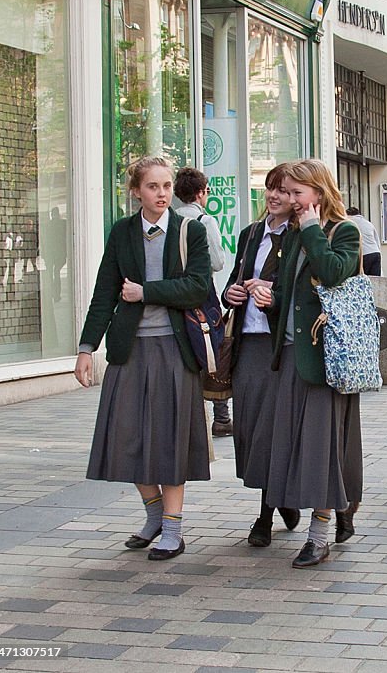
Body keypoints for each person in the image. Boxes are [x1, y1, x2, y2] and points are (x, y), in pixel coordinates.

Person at [75, 156, 212, 561]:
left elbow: (197, 286)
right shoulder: (122, 232)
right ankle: (153, 515)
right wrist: (87, 349)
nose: (162, 194)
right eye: (153, 187)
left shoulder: (191, 231)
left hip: (173, 348)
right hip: (128, 349)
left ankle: (173, 529)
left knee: (169, 439)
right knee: (127, 437)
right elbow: (104, 291)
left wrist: (146, 292)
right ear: (136, 191)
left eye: (167, 186)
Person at [252, 159, 364, 569]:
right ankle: (301, 517)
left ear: (318, 192)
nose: (291, 200)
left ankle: (319, 536)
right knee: (293, 447)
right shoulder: (296, 235)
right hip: (292, 361)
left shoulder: (342, 231)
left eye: (298, 193)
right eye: (288, 192)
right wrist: (269, 300)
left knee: (324, 451)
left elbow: (333, 273)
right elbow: (291, 296)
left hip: (328, 363)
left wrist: (314, 229)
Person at [222, 163, 301, 547]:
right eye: (271, 188)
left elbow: (300, 295)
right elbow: (234, 279)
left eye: (284, 191)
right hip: (246, 345)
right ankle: (281, 497)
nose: (275, 196)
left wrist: (272, 298)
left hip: (278, 347)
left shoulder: (299, 237)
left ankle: (265, 515)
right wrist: (231, 294)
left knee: (271, 431)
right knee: (249, 430)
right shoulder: (251, 234)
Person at [174, 167, 230, 436]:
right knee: (212, 346)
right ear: (200, 193)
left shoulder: (170, 220)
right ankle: (221, 416)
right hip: (202, 290)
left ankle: (188, 412)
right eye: (206, 191)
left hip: (175, 293)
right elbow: (217, 262)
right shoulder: (204, 221)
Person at [346, 207, 382, 276]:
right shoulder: (368, 223)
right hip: (375, 253)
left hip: (363, 255)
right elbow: (377, 241)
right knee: (376, 280)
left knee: (362, 280)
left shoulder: (349, 222)